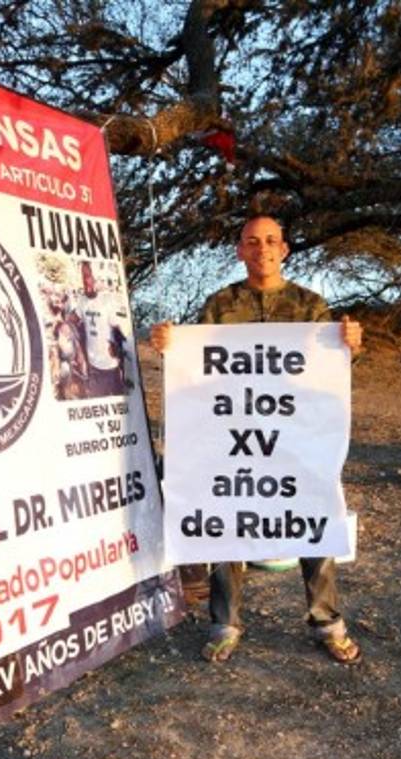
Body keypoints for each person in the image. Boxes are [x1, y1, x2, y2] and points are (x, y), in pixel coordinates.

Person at [151, 215, 364, 665]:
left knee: (313, 513)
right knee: (229, 518)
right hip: (235, 439)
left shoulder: (311, 306)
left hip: (296, 436)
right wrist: (170, 345)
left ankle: (326, 621)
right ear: (240, 251)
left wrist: (350, 345)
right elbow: (198, 366)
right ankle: (224, 624)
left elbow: (330, 371)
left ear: (284, 249)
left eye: (270, 241)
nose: (261, 248)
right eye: (252, 241)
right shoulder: (220, 305)